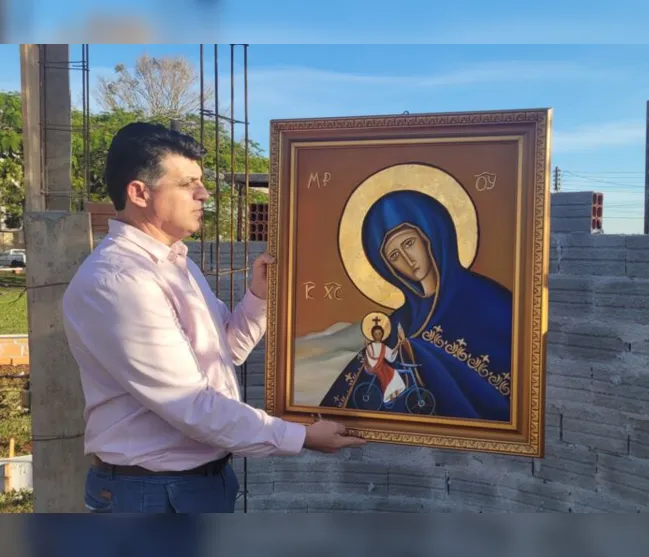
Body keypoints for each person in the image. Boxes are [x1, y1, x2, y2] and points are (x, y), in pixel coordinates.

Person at [62, 122, 365, 514]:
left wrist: (260, 295)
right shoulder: (120, 282)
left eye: (201, 182)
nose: (203, 194)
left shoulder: (174, 263)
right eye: (187, 184)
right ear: (139, 192)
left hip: (196, 482)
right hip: (149, 494)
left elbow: (226, 349)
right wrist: (301, 436)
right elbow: (192, 404)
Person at [319, 189, 514, 421]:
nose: (408, 260)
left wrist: (421, 354)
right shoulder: (400, 321)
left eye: (409, 243)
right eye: (394, 256)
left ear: (430, 235)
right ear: (387, 268)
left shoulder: (490, 300)